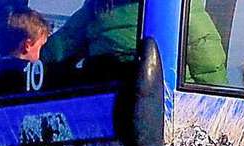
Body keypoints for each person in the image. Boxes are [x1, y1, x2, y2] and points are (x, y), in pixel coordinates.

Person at [46, 0, 227, 85]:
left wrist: (26, 66)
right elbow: (206, 55)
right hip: (170, 104)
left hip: (105, 97)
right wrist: (223, 100)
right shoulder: (181, 5)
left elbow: (61, 47)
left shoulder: (97, 6)